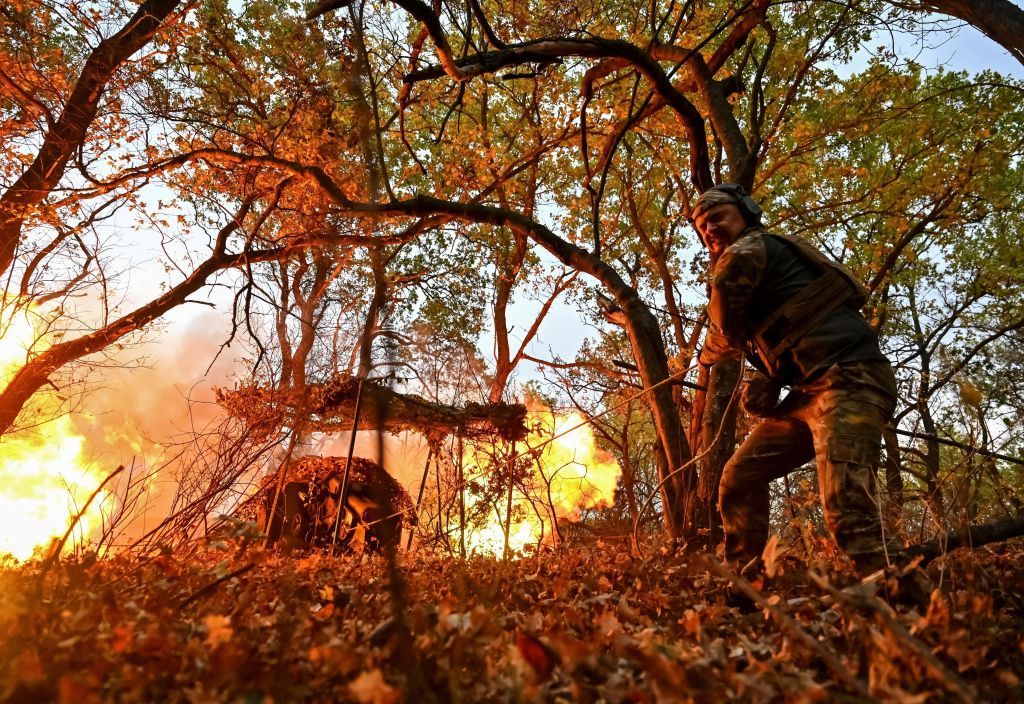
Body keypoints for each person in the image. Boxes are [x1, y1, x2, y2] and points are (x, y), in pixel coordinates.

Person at [692, 183, 900, 578]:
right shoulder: (766, 260)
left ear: (747, 213)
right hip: (810, 394)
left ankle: (918, 612)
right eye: (703, 227)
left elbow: (724, 331)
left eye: (717, 217)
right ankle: (745, 590)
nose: (710, 230)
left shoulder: (746, 252)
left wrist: (703, 358)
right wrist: (768, 377)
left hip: (850, 381)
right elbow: (778, 335)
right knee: (739, 478)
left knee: (848, 512)